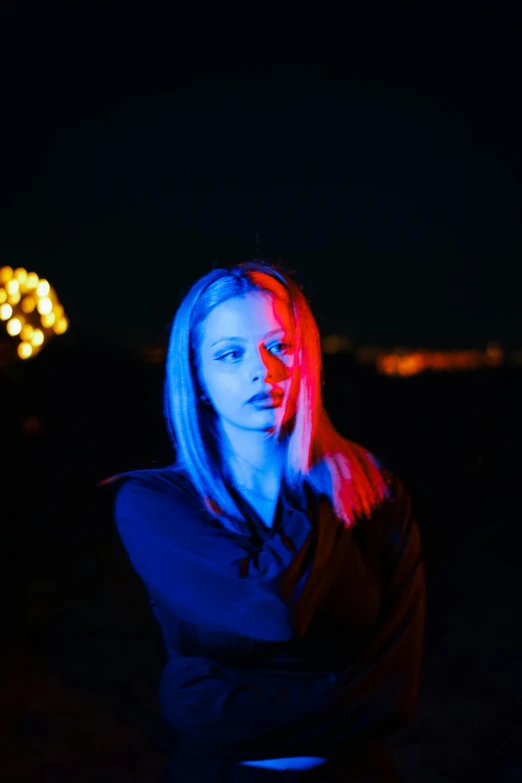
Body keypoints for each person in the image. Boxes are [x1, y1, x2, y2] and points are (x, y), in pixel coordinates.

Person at [99, 260, 425, 781]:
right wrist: (312, 483)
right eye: (230, 354)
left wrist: (221, 704)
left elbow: (393, 695)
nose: (263, 372)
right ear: (198, 377)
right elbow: (273, 609)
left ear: (308, 357)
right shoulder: (154, 504)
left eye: (281, 347)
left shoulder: (373, 492)